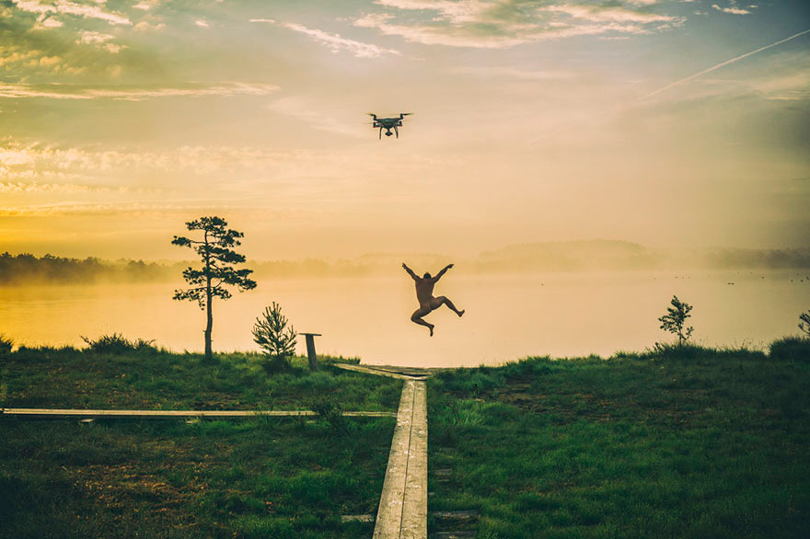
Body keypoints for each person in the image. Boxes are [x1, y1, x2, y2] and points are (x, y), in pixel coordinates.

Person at [402, 262, 465, 336]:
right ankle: (458, 312)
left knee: (413, 318)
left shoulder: (418, 280)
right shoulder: (432, 281)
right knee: (443, 298)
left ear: (423, 277)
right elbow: (441, 273)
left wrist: (405, 267)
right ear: (429, 278)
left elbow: (411, 272)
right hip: (433, 303)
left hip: (425, 308)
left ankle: (429, 325)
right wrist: (447, 267)